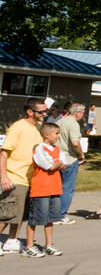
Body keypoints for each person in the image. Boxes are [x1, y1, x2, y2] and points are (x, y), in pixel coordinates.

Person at [0, 98, 48, 255]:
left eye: (45, 111)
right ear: (30, 112)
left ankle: (12, 240)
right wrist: (4, 176)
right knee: (7, 213)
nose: (44, 114)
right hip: (15, 177)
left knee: (19, 213)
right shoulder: (18, 127)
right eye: (41, 111)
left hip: (29, 179)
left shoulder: (36, 129)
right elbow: (4, 153)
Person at [22, 121, 66, 257]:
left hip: (55, 188)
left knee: (50, 219)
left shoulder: (58, 150)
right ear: (47, 135)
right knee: (35, 218)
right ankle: (29, 246)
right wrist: (57, 164)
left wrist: (57, 164)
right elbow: (48, 166)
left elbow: (63, 165)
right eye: (56, 133)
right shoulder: (39, 148)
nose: (58, 136)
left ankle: (48, 245)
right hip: (41, 189)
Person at [57, 102, 86, 224]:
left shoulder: (59, 121)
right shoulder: (73, 124)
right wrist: (81, 154)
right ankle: (60, 215)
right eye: (83, 112)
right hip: (69, 159)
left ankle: (53, 213)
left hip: (57, 159)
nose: (83, 115)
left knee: (56, 188)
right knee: (67, 188)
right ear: (77, 113)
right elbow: (75, 142)